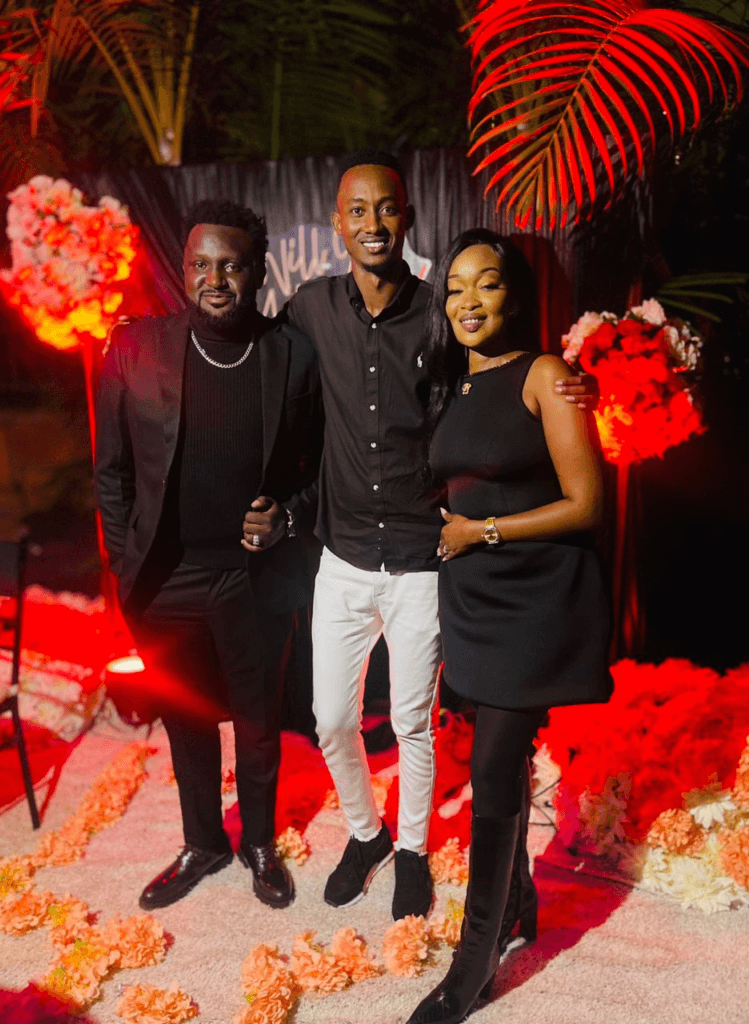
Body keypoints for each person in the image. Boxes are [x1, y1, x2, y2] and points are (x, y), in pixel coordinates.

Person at [285, 150, 597, 922]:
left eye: (386, 207)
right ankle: (366, 835)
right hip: (343, 554)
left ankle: (414, 851)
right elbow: (267, 373)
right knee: (331, 719)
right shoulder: (309, 307)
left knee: (412, 722)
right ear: (337, 223)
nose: (373, 223)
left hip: (426, 556)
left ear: (409, 217)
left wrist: (577, 384)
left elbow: (502, 374)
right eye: (357, 210)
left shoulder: (439, 311)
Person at [405, 228, 612, 1024]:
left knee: (493, 769)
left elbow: (586, 504)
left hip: (534, 598)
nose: (467, 301)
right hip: (473, 598)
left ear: (514, 296)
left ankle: (473, 961)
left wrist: (481, 533)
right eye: (455, 287)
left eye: (485, 285)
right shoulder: (452, 382)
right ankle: (520, 901)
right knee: (495, 760)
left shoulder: (546, 375)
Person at [94, 200, 322, 912]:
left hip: (253, 579)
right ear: (184, 266)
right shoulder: (135, 348)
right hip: (166, 580)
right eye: (200, 264)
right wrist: (125, 565)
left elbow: (320, 469)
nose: (214, 280)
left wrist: (287, 516)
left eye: (230, 265)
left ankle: (259, 843)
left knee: (257, 722)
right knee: (185, 719)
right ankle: (203, 842)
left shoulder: (291, 354)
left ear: (257, 271)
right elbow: (111, 472)